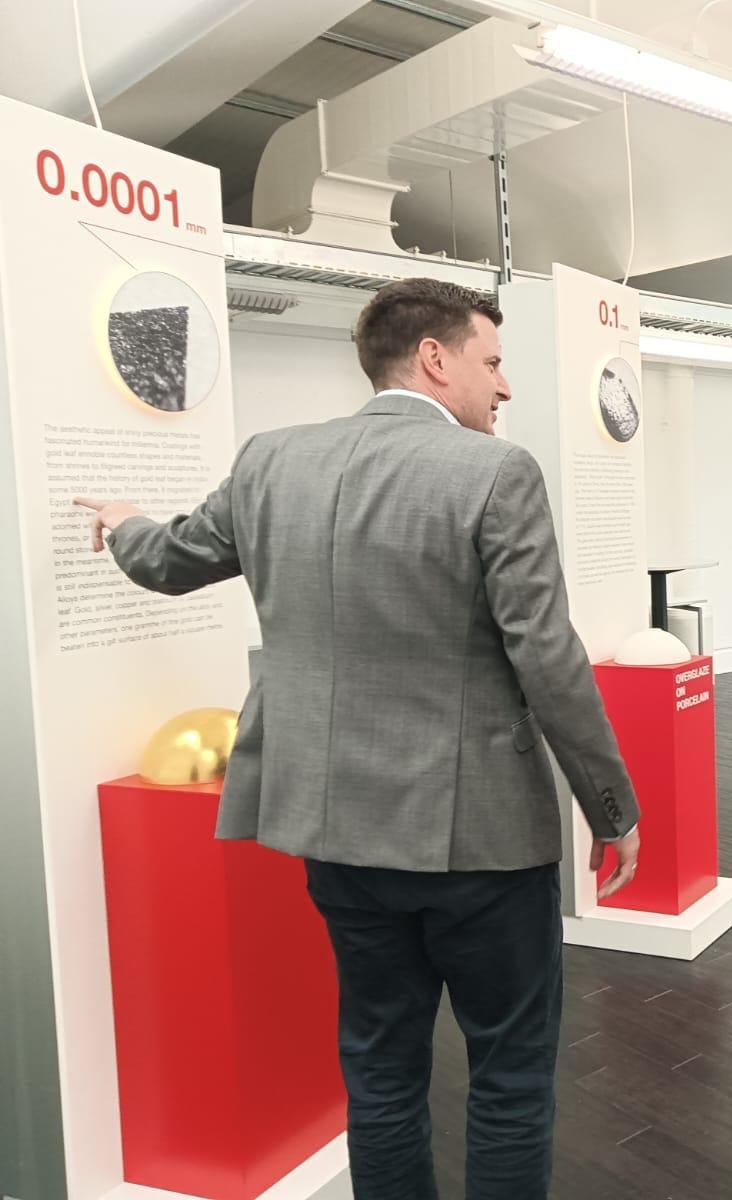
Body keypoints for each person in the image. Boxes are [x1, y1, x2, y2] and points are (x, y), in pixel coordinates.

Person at [76, 278, 642, 1200]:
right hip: (482, 846)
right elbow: (548, 657)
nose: (503, 389)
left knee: (380, 1072)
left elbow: (172, 558)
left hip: (337, 836)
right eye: (492, 363)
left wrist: (124, 525)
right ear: (434, 358)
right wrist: (611, 807)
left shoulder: (270, 462)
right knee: (507, 1075)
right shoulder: (496, 473)